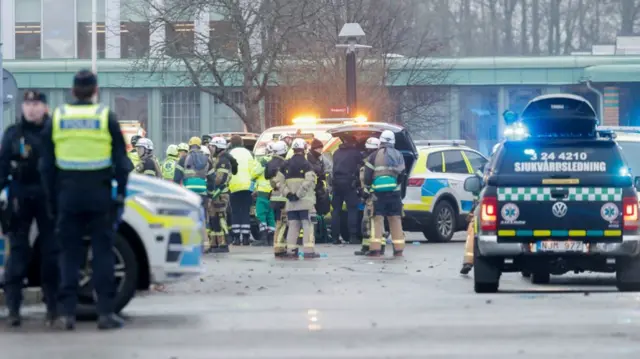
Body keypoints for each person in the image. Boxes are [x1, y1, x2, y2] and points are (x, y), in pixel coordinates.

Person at [40, 69, 131, 330]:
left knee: (69, 253)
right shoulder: (105, 117)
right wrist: (120, 194)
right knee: (102, 253)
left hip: (67, 195)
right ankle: (105, 313)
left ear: (72, 91)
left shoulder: (58, 117)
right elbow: (122, 163)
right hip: (99, 194)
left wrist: (52, 198)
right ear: (95, 91)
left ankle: (67, 313)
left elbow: (46, 165)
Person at [0, 90, 58, 327]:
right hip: (20, 198)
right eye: (28, 104)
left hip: (48, 198)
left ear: (45, 107)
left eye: (36, 104)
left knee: (51, 254)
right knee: (17, 254)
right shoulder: (13, 134)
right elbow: (2, 167)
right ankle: (14, 308)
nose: (32, 108)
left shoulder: (54, 133)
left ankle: (53, 308)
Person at [362, 130, 406, 257]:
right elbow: (402, 174)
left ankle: (375, 250)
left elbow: (368, 174)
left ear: (381, 140)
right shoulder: (398, 155)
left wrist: (367, 189)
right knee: (395, 219)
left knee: (377, 220)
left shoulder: (374, 155)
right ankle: (398, 249)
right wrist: (396, 186)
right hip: (394, 193)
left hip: (378, 194)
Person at [282, 138, 319, 258]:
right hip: (305, 202)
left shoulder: (285, 164)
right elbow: (308, 182)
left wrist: (288, 194)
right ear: (304, 149)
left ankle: (291, 250)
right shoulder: (307, 164)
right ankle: (309, 251)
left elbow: (279, 182)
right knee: (307, 225)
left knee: (293, 226)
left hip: (291, 203)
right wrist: (299, 194)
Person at [331, 135, 363, 244]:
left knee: (336, 210)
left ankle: (335, 237)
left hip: (336, 183)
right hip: (350, 183)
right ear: (353, 143)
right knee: (352, 209)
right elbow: (361, 167)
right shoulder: (356, 153)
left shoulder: (336, 152)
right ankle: (353, 236)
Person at [208, 136, 237, 253]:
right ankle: (215, 244)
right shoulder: (218, 159)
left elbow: (220, 179)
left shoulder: (223, 161)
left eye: (212, 146)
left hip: (221, 193)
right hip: (216, 193)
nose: (210, 148)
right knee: (213, 218)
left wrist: (209, 181)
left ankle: (224, 243)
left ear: (219, 147)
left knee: (220, 217)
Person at [355, 137, 381, 256]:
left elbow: (369, 179)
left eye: (370, 149)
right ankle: (366, 246)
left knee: (374, 221)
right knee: (366, 222)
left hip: (374, 195)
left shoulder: (377, 161)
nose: (368, 151)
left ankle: (378, 247)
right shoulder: (369, 160)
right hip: (369, 196)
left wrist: (366, 191)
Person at [227, 135, 254, 246]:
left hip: (234, 186)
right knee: (245, 211)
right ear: (242, 142)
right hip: (247, 187)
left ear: (231, 143)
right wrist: (253, 187)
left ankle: (236, 238)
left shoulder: (229, 154)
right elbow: (254, 170)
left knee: (235, 212)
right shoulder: (249, 153)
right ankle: (246, 238)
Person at [265, 141, 288, 257]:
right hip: (283, 199)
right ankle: (279, 247)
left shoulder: (269, 164)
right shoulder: (284, 164)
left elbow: (267, 177)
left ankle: (278, 245)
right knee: (283, 223)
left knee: (277, 223)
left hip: (273, 198)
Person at [250, 142, 275, 247]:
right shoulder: (275, 161)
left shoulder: (262, 161)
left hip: (263, 192)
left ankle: (263, 238)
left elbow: (253, 174)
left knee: (260, 215)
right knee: (270, 215)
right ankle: (271, 239)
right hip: (273, 193)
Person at [307, 138, 330, 243]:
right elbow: (313, 171)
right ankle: (315, 235)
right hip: (313, 189)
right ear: (315, 148)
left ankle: (320, 234)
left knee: (320, 213)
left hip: (319, 188)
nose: (321, 150)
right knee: (313, 213)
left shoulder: (318, 158)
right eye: (320, 148)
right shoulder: (310, 158)